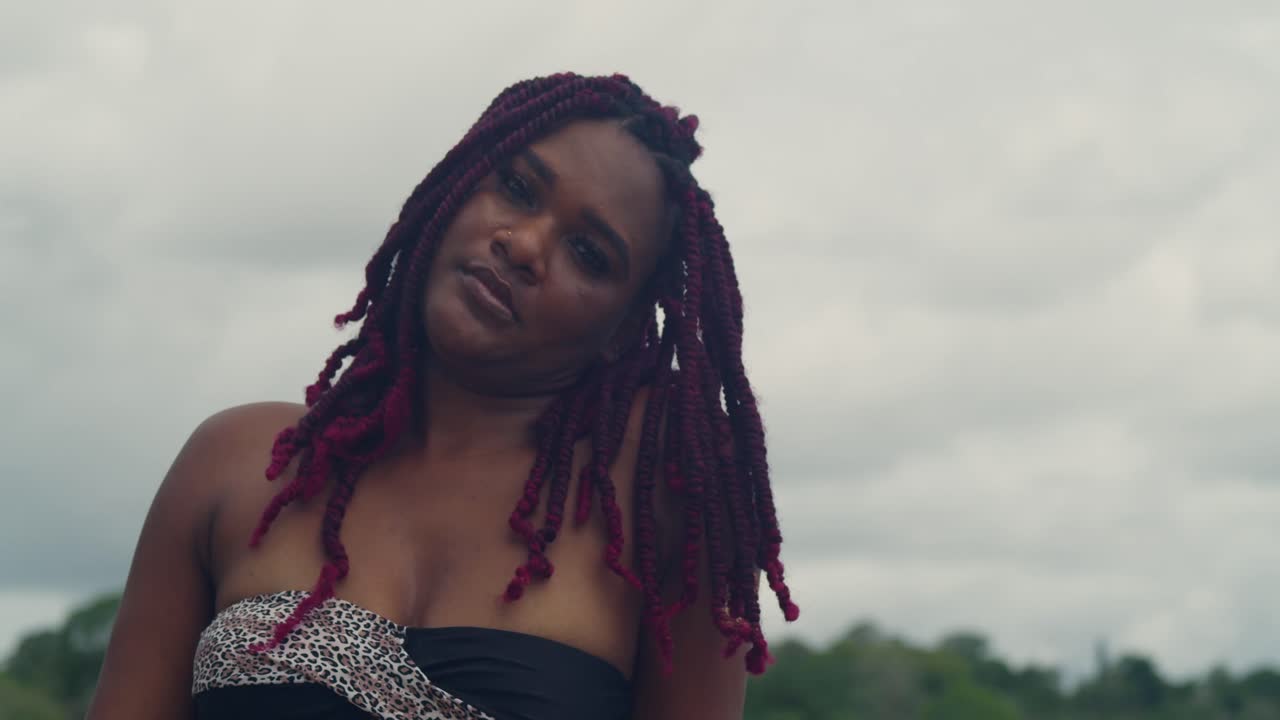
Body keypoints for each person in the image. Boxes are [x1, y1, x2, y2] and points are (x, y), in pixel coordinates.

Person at [86, 72, 798, 720]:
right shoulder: (235, 467)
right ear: (453, 187)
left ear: (621, 330)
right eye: (517, 188)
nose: (523, 244)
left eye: (590, 254)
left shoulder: (670, 499)